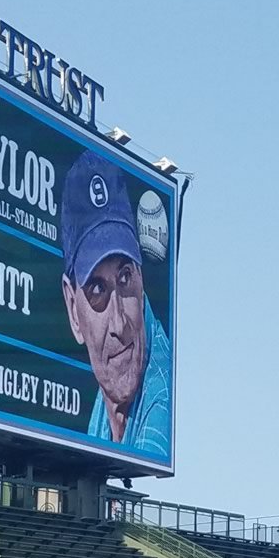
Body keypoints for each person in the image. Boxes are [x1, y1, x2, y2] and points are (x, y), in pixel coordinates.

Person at [57, 151, 172, 459]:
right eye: (97, 288)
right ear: (73, 309)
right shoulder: (105, 405)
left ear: (141, 277)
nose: (120, 324)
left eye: (124, 278)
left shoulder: (161, 402)